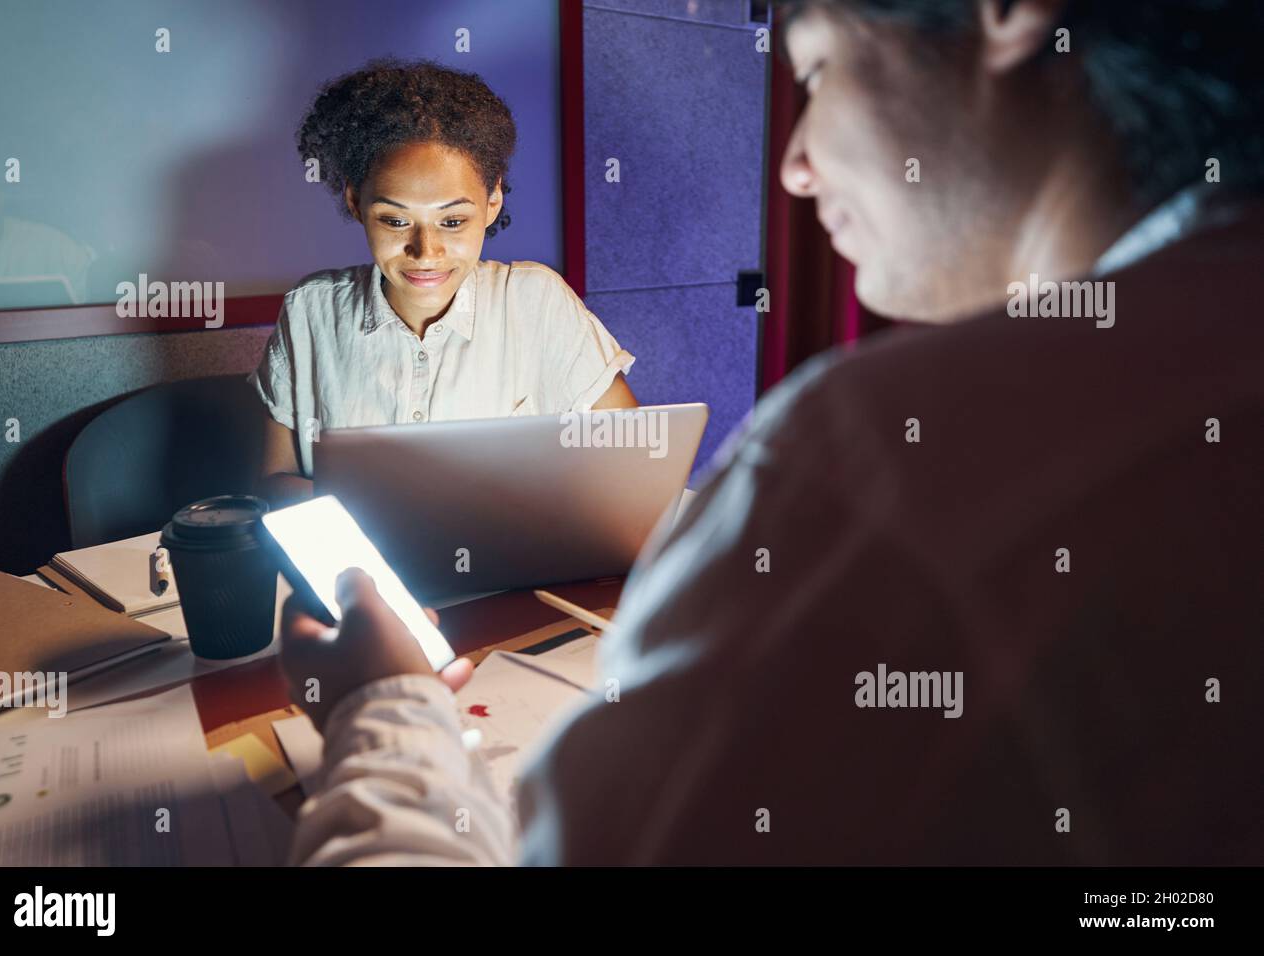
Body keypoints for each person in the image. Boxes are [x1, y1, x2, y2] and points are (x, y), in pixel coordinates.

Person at [279, 0, 1264, 865]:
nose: (791, 168)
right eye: (392, 219)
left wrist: (385, 710)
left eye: (821, 67)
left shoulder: (860, 464)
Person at [250, 60, 636, 505]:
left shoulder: (536, 301)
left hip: (509, 564)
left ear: (492, 202)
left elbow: (630, 454)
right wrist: (384, 506)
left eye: (452, 221)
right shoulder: (310, 313)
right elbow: (273, 481)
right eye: (395, 220)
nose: (425, 251)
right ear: (356, 202)